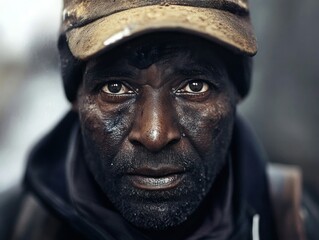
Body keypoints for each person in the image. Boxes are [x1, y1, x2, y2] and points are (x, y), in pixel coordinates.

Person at [1, 0, 318, 240]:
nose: (154, 133)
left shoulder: (297, 223)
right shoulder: (13, 223)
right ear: (76, 97)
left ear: (236, 93)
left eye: (195, 86)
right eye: (116, 88)